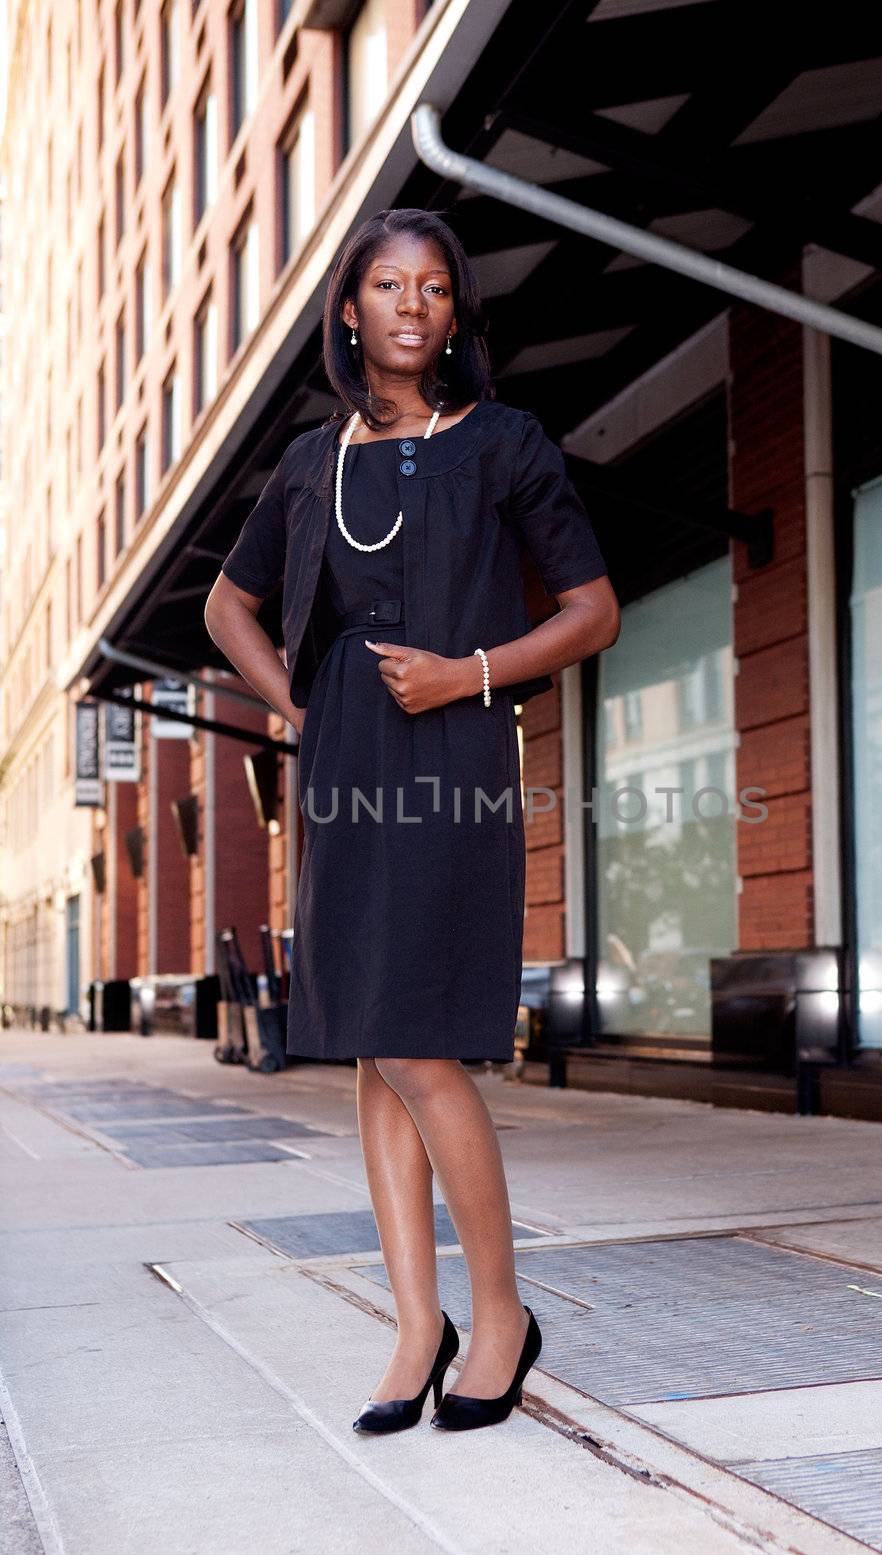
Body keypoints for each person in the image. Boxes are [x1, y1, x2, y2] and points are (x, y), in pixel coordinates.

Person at [204, 207, 620, 1434]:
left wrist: (467, 673)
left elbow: (591, 610)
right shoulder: (307, 461)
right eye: (386, 284)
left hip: (451, 752)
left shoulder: (502, 443)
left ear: (453, 313)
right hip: (345, 761)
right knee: (375, 1050)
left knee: (421, 1042)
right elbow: (232, 606)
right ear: (350, 309)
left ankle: (499, 1317)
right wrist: (301, 707)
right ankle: (414, 1325)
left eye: (432, 287)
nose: (408, 305)